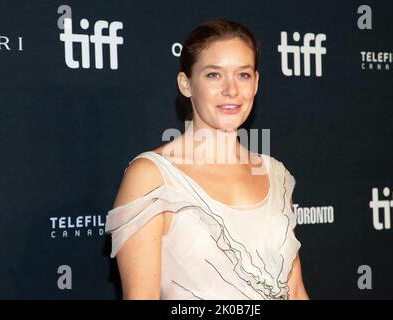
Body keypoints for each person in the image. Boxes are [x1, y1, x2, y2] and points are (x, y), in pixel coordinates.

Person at [105, 19, 309, 300]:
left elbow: (295, 290)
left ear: (256, 83)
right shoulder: (153, 176)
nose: (231, 90)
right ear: (186, 84)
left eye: (243, 75)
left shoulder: (275, 173)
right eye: (214, 75)